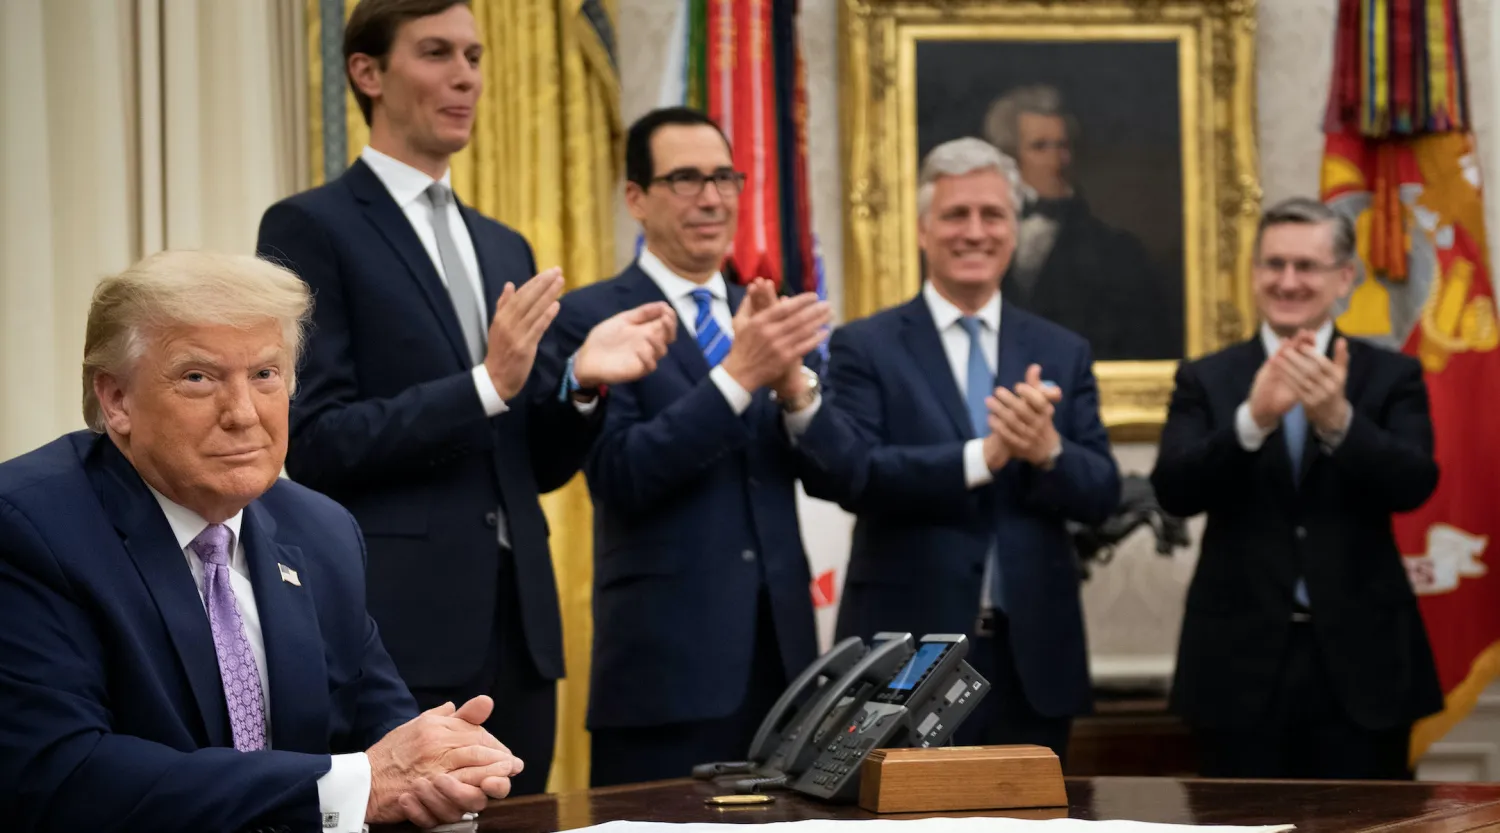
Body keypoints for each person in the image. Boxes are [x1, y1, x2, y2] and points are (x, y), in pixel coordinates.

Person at [255, 0, 675, 795]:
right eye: (438, 53)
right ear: (368, 73)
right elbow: (311, 440)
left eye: (476, 57)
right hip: (395, 634)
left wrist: (580, 385)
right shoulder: (311, 226)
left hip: (521, 634)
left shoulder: (502, 243)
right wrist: (485, 385)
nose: (465, 77)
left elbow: (531, 464)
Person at [0, 251, 528, 833]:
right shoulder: (31, 526)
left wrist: (447, 769)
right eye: (198, 378)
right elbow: (61, 774)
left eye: (265, 375)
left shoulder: (320, 531)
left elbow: (384, 741)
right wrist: (354, 786)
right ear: (117, 400)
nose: (243, 413)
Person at [552, 107, 859, 787]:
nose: (713, 197)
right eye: (686, 179)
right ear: (636, 197)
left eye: (724, 177)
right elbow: (621, 473)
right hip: (664, 674)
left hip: (787, 668)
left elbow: (843, 473)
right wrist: (737, 376)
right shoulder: (594, 318)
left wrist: (794, 389)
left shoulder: (768, 311)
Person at [822, 138, 1120, 762]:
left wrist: (1047, 451)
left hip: (1030, 661)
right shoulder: (865, 346)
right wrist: (979, 458)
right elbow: (857, 475)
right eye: (956, 215)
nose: (975, 232)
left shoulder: (1062, 349)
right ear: (925, 230)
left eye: (993, 215)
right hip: (906, 659)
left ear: (1014, 228)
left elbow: (1101, 493)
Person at [1151, 197, 1443, 779]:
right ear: (1255, 273)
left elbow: (1415, 482)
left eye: (1306, 267)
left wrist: (1339, 421)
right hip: (1237, 668)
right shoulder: (1208, 377)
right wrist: (1251, 421)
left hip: (1366, 667)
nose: (1287, 281)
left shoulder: (1391, 375)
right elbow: (1175, 490)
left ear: (1344, 279)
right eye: (1273, 265)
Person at [982, 84, 1177, 360]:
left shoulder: (1119, 252)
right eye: (1041, 147)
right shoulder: (976, 238)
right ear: (1010, 157)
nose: (1058, 160)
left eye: (1063, 146)